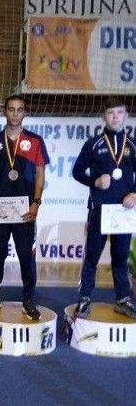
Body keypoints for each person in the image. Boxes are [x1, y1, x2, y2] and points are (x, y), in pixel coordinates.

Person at [0, 94, 49, 320]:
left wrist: (36, 202)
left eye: (19, 110)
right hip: (0, 209)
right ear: (4, 111)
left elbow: (40, 173)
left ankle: (29, 298)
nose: (15, 114)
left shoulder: (35, 141)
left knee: (27, 256)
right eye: (11, 109)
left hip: (25, 210)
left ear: (25, 112)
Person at [72, 97, 136, 319]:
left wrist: (134, 193)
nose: (115, 116)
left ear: (126, 115)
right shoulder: (93, 144)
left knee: (120, 258)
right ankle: (84, 298)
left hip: (123, 212)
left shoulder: (132, 144)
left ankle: (122, 299)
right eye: (111, 113)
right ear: (103, 116)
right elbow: (77, 171)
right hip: (99, 209)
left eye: (119, 112)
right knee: (92, 257)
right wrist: (95, 182)